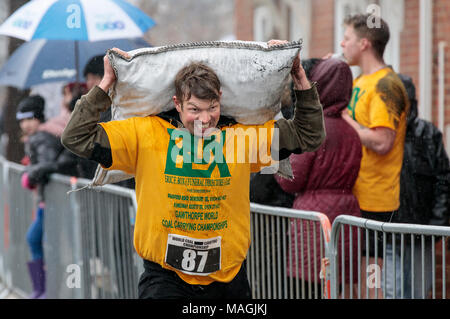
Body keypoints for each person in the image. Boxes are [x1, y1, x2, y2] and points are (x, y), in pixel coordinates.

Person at [61, 41, 326, 299]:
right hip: (165, 278)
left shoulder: (241, 139)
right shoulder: (144, 134)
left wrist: (299, 77)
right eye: (194, 109)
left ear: (220, 99)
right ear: (177, 103)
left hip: (228, 277)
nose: (204, 119)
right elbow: (76, 137)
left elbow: (308, 135)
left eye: (212, 108)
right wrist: (105, 84)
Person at [275, 57, 362, 299]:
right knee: (333, 288)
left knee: (307, 289)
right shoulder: (352, 132)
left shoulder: (314, 128)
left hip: (313, 223)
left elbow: (290, 178)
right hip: (346, 219)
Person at [339, 13, 409, 298]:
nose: (342, 43)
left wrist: (347, 122)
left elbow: (382, 141)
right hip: (352, 195)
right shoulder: (360, 81)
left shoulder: (387, 85)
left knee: (370, 281)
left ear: (364, 43)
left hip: (375, 200)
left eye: (347, 38)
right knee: (350, 280)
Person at [385, 73, 450, 299]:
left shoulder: (428, 134)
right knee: (392, 291)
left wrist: (436, 224)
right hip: (389, 229)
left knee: (418, 291)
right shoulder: (382, 133)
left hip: (421, 231)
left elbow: (444, 180)